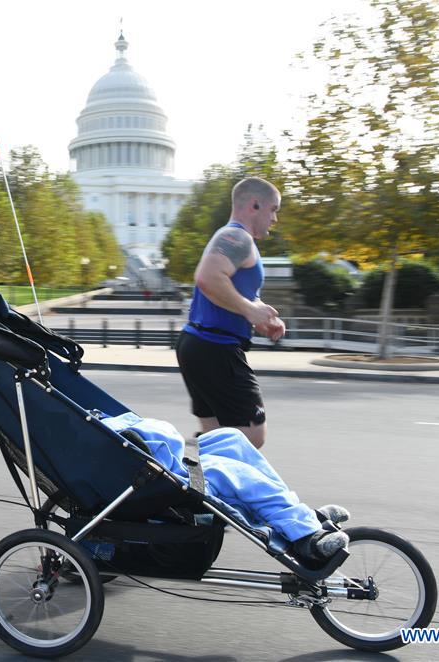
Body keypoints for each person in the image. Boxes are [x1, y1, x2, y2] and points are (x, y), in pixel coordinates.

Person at [100, 412, 349, 562]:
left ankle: (296, 518)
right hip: (154, 471)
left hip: (163, 455)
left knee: (231, 438)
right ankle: (304, 536)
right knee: (232, 473)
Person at [176, 177, 285, 450]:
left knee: (217, 437)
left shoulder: (237, 239)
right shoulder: (237, 237)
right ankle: (177, 455)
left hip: (200, 345)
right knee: (251, 436)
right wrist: (249, 309)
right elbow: (208, 278)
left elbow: (234, 289)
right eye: (273, 209)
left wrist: (259, 314)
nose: (275, 219)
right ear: (254, 205)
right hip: (215, 348)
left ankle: (193, 466)